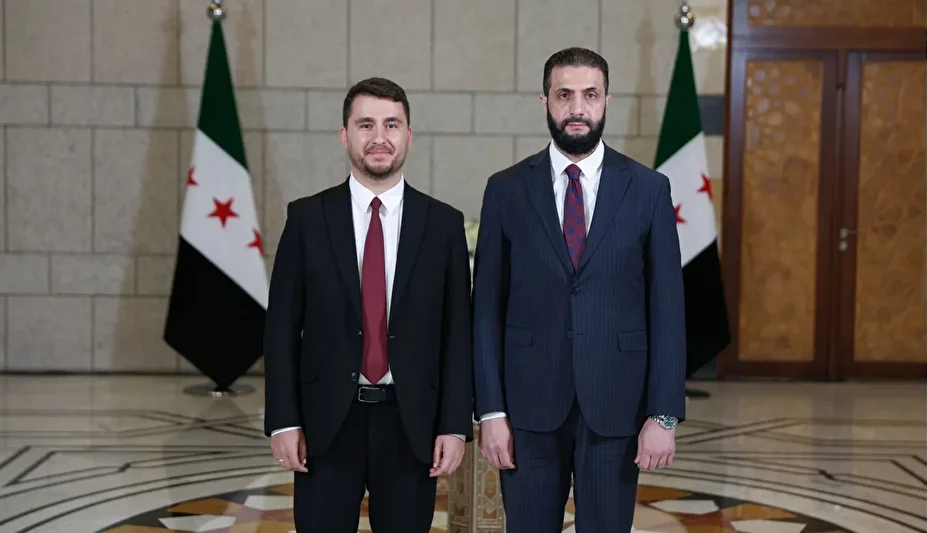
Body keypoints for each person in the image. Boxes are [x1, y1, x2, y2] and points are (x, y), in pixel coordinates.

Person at [471, 47, 687, 532]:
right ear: (544, 101)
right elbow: (485, 309)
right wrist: (491, 411)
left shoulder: (648, 189)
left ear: (607, 101)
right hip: (527, 410)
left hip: (617, 406)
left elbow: (668, 310)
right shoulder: (506, 189)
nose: (577, 108)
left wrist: (664, 415)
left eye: (590, 95)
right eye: (564, 94)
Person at [263, 76, 474, 533]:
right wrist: (283, 421)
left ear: (409, 136)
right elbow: (280, 328)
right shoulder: (307, 219)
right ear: (345, 135)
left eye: (391, 125)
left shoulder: (443, 224)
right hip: (325, 425)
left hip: (411, 424)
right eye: (366, 125)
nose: (379, 137)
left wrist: (454, 425)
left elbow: (458, 333)